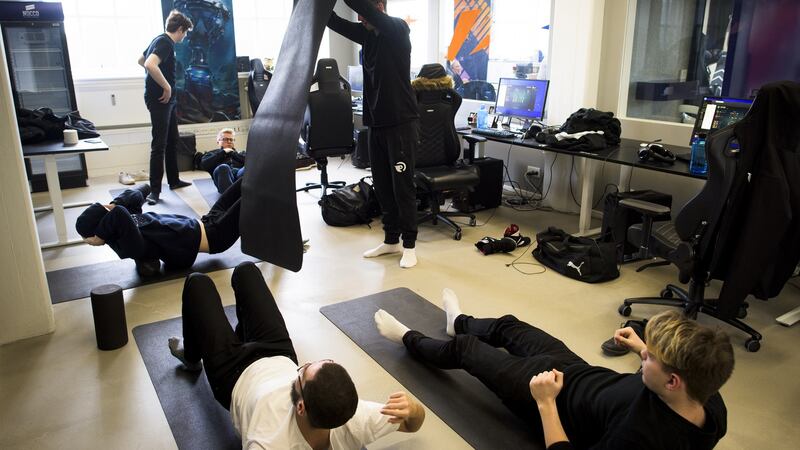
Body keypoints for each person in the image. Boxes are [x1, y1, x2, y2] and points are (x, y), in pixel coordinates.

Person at [374, 289, 734, 449]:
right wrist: (645, 348)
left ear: (672, 381)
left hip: (548, 391)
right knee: (509, 326)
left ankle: (407, 338)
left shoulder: (639, 438)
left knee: (468, 352)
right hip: (577, 370)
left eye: (651, 359)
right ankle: (459, 321)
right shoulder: (708, 400)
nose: (644, 358)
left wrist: (546, 402)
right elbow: (674, 371)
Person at [168, 262, 426, 448]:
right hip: (277, 352)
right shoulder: (355, 418)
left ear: (300, 406)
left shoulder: (269, 443)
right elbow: (412, 424)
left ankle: (191, 358)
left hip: (234, 377)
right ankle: (241, 334)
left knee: (197, 283)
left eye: (303, 372)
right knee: (246, 272)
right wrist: (413, 408)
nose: (303, 366)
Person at [327, 0, 420, 268]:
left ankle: (410, 245)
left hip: (401, 123)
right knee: (383, 185)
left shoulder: (397, 29)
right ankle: (392, 240)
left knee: (403, 186)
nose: (360, 16)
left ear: (379, 6)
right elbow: (332, 21)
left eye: (365, 10)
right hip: (376, 124)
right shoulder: (366, 36)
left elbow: (363, 8)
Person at [75, 180, 242, 276]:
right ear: (104, 226)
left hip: (207, 221)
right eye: (105, 211)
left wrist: (111, 204)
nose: (109, 209)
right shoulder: (128, 244)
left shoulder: (128, 221)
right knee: (251, 197)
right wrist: (100, 236)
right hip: (215, 237)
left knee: (244, 181)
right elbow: (120, 213)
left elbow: (141, 191)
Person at [138, 10, 194, 205]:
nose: (185, 36)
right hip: (160, 100)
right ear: (180, 29)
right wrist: (166, 86)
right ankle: (154, 191)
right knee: (159, 144)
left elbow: (141, 60)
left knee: (173, 140)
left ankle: (174, 180)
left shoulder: (159, 39)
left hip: (166, 100)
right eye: (185, 32)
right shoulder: (165, 43)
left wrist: (157, 83)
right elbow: (150, 64)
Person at [200, 128, 246, 193]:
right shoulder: (212, 153)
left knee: (249, 166)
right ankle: (229, 196)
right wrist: (223, 152)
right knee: (223, 167)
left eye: (231, 139)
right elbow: (204, 165)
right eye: (225, 139)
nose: (229, 141)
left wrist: (233, 153)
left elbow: (250, 162)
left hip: (239, 175)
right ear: (218, 141)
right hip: (223, 177)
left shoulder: (240, 153)